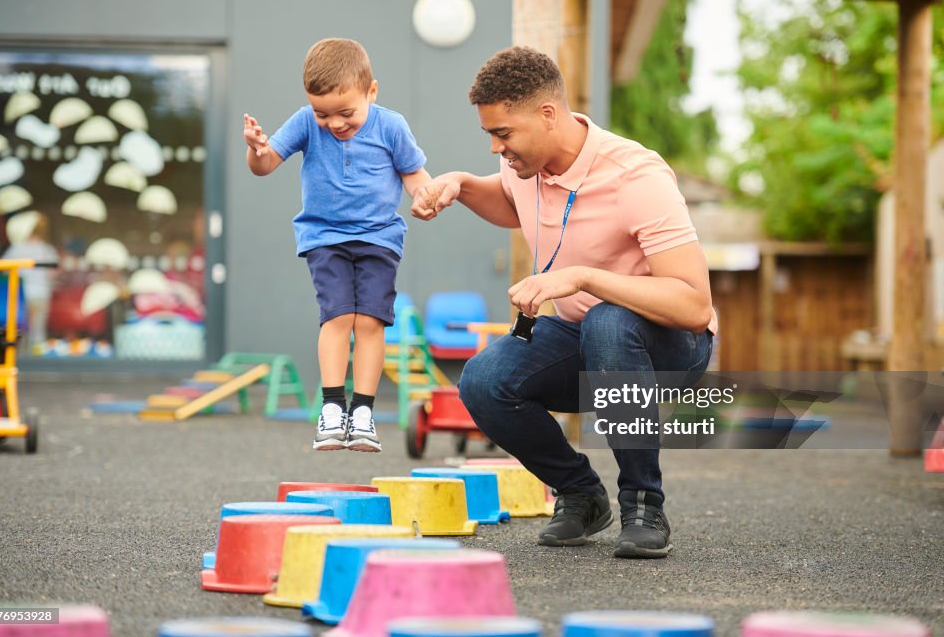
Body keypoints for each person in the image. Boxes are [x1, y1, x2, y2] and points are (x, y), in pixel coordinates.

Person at [411, 46, 716, 558]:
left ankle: (644, 504)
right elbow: (509, 202)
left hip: (670, 346)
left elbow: (693, 307)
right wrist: (460, 185)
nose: (495, 147)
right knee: (483, 381)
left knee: (609, 322)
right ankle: (581, 494)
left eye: (502, 133)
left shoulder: (635, 176)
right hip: (586, 338)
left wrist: (581, 278)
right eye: (489, 134)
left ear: (548, 115)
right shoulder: (524, 167)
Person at [244, 38, 431, 453]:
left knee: (370, 322)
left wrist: (425, 196)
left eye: (346, 113)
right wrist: (256, 150)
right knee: (338, 317)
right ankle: (332, 408)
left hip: (380, 237)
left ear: (372, 92)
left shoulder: (391, 126)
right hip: (324, 236)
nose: (334, 123)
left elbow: (414, 174)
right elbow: (265, 165)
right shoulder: (305, 123)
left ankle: (362, 412)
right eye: (322, 113)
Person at [1, 211, 59, 354]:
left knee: (19, 328)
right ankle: (37, 360)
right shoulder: (46, 249)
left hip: (20, 294)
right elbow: (53, 273)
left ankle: (19, 357)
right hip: (41, 293)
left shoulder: (17, 248)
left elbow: (3, 268)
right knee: (37, 330)